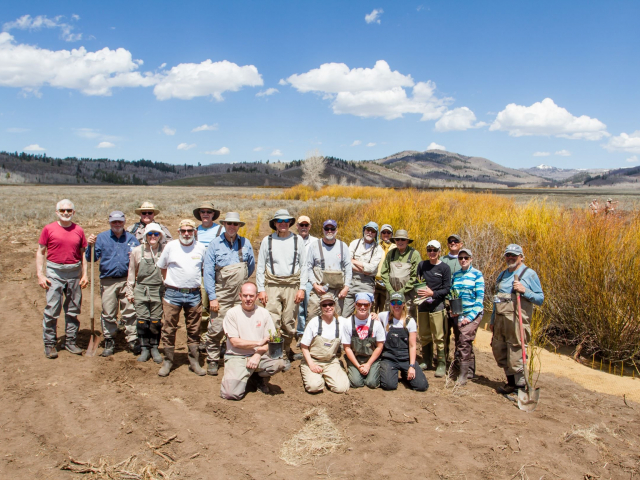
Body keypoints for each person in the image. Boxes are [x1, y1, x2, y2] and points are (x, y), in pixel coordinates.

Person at [203, 212, 255, 375]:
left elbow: (251, 266)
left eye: (235, 224)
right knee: (216, 327)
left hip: (240, 295)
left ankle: (233, 356)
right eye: (229, 224)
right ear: (224, 225)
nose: (232, 227)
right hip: (221, 293)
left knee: (240, 326)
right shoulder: (214, 244)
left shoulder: (245, 243)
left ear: (239, 226)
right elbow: (208, 273)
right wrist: (212, 297)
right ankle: (212, 358)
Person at [36, 199, 88, 358]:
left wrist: (85, 274)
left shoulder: (79, 230)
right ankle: (50, 343)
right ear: (57, 212)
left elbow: (83, 253)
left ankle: (71, 341)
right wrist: (40, 274)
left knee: (73, 309)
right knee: (52, 309)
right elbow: (40, 252)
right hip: (55, 273)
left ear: (74, 212)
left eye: (69, 210)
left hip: (74, 272)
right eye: (62, 210)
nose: (66, 213)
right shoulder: (48, 229)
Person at [220, 282, 289, 400]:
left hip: (258, 355)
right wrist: (257, 343)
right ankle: (244, 376)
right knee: (230, 394)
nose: (248, 299)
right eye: (245, 295)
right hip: (237, 355)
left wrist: (257, 354)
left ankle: (256, 376)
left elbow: (269, 341)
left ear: (256, 297)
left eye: (251, 296)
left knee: (279, 363)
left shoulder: (264, 313)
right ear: (240, 296)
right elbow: (235, 342)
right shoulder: (232, 314)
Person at [490, 244, 544, 394]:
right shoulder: (502, 275)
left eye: (514, 255)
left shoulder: (529, 274)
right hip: (501, 321)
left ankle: (520, 387)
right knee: (499, 351)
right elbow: (497, 300)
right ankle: (510, 383)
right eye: (508, 255)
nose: (510, 258)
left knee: (516, 354)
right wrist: (493, 320)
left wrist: (524, 290)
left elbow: (540, 298)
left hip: (517, 321)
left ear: (521, 256)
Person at [157, 219, 207, 377]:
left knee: (194, 329)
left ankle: (194, 361)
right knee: (169, 328)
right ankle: (168, 361)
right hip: (173, 294)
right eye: (183, 231)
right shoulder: (170, 247)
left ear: (194, 232)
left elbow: (204, 269)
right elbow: (163, 267)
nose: (187, 234)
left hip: (193, 294)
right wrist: (171, 283)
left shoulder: (200, 248)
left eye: (190, 230)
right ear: (178, 231)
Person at [87, 211, 140, 357]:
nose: (117, 224)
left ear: (124, 222)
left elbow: (139, 258)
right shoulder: (101, 238)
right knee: (108, 312)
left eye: (120, 222)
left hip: (127, 280)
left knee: (130, 311)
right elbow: (90, 258)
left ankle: (133, 339)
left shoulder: (131, 238)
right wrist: (89, 246)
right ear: (110, 222)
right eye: (114, 222)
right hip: (108, 281)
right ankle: (109, 339)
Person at [256, 209, 307, 362]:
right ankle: (273, 353)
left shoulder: (298, 241)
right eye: (280, 221)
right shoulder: (268, 240)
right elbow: (260, 267)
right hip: (272, 285)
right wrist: (261, 289)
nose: (283, 224)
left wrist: (302, 288)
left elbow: (304, 266)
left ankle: (284, 352)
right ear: (275, 224)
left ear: (290, 223)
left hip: (292, 285)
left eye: (286, 221)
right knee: (271, 320)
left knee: (289, 321)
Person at [125, 223, 165, 364]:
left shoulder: (164, 250)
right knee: (142, 320)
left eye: (156, 234)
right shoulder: (137, 251)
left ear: (160, 235)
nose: (153, 237)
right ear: (145, 236)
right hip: (141, 289)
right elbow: (131, 272)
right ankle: (144, 348)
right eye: (150, 234)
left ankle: (154, 347)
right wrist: (130, 291)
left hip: (158, 290)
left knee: (155, 321)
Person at [299, 293, 350, 394]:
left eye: (330, 304)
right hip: (313, 360)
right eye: (324, 305)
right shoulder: (314, 322)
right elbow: (304, 346)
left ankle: (328, 375)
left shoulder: (342, 322)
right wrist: (312, 365)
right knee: (314, 387)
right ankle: (316, 376)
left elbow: (359, 320)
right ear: (321, 307)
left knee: (342, 388)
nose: (328, 307)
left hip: (330, 361)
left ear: (334, 305)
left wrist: (373, 316)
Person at [379, 293, 429, 392]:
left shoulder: (410, 321)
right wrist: (373, 315)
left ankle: (406, 373)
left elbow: (412, 346)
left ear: (404, 304)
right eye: (393, 302)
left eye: (399, 302)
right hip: (390, 357)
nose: (396, 305)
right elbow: (373, 316)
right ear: (390, 304)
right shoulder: (384, 316)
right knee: (389, 386)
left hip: (405, 358)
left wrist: (411, 366)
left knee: (421, 386)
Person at [450, 248, 485, 386]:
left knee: (464, 340)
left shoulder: (477, 274)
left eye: (466, 257)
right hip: (459, 313)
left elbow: (479, 300)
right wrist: (453, 310)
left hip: (473, 314)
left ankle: (463, 376)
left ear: (471, 259)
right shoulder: (456, 275)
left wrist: (469, 317)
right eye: (461, 258)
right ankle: (469, 371)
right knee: (461, 340)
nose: (463, 260)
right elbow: (453, 295)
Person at [416, 240, 451, 376]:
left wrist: (433, 294)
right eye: (429, 250)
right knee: (424, 334)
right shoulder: (422, 265)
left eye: (434, 250)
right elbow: (417, 281)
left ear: (439, 252)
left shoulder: (445, 268)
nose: (432, 253)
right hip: (423, 304)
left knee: (439, 336)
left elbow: (447, 289)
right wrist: (420, 291)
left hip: (437, 305)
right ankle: (426, 360)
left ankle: (441, 363)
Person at [193, 201, 224, 352]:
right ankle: (204, 337)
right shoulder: (194, 231)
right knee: (204, 307)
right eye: (203, 211)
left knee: (220, 306)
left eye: (209, 212)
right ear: (200, 214)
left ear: (213, 214)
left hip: (219, 273)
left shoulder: (221, 229)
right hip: (200, 273)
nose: (205, 214)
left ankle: (220, 338)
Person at [307, 219, 352, 319]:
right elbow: (308, 267)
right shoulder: (314, 246)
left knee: (336, 319)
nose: (329, 231)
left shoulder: (343, 246)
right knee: (312, 317)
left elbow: (348, 269)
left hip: (337, 292)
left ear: (336, 230)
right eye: (327, 228)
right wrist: (314, 285)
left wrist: (346, 288)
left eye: (332, 228)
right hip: (319, 290)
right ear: (323, 230)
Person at [341, 292, 385, 388]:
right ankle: (357, 371)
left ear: (370, 305)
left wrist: (368, 365)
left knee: (372, 383)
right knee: (356, 383)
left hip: (371, 358)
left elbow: (380, 346)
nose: (362, 307)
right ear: (355, 305)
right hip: (355, 358)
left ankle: (372, 371)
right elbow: (347, 348)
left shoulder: (376, 323)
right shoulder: (348, 322)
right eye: (359, 304)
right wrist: (358, 366)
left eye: (366, 304)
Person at [343, 221, 383, 317]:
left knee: (364, 314)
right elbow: (347, 263)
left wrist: (354, 261)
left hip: (366, 284)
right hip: (351, 281)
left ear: (376, 234)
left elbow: (371, 268)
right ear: (364, 230)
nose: (370, 233)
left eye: (373, 231)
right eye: (368, 230)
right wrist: (364, 268)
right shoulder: (354, 243)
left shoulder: (378, 249)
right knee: (345, 314)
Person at [380, 229, 421, 318]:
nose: (400, 241)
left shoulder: (414, 254)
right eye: (397, 239)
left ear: (407, 241)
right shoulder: (391, 253)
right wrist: (391, 290)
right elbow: (384, 273)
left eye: (403, 239)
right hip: (391, 294)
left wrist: (402, 291)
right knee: (390, 319)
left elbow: (415, 276)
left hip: (407, 295)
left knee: (408, 319)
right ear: (394, 241)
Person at [440, 234, 464, 363]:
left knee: (459, 333)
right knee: (443, 332)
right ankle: (443, 359)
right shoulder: (443, 259)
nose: (453, 243)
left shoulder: (463, 259)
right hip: (444, 300)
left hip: (459, 302)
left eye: (456, 241)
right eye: (450, 241)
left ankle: (459, 360)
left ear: (461, 244)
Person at [295, 215, 317, 341]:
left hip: (310, 279)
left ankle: (310, 333)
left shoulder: (315, 241)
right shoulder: (292, 239)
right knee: (298, 308)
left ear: (309, 227)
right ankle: (300, 333)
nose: (304, 227)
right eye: (301, 225)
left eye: (306, 225)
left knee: (310, 307)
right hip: (296, 279)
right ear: (297, 226)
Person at [374, 224, 395, 312]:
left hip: (387, 283)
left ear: (392, 234)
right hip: (374, 282)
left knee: (384, 310)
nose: (386, 234)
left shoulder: (396, 247)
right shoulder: (375, 246)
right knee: (372, 308)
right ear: (380, 234)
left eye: (388, 232)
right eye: (383, 232)